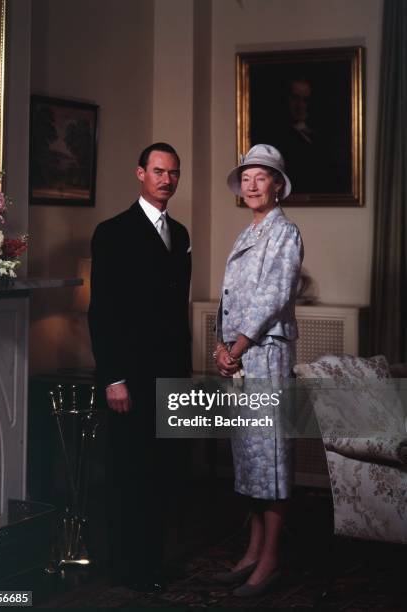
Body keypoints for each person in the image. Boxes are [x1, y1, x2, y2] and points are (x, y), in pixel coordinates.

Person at [88, 142, 192, 592]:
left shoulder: (181, 234)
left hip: (170, 374)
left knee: (163, 473)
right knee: (129, 474)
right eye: (158, 171)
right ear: (140, 174)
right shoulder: (112, 232)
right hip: (128, 376)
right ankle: (126, 569)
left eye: (173, 172)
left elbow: (175, 311)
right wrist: (113, 377)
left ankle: (152, 561)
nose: (166, 179)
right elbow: (102, 311)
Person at [213, 144, 304, 597]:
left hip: (265, 355)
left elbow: (273, 296)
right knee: (249, 460)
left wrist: (239, 345)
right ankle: (251, 551)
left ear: (277, 185)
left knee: (270, 459)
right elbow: (229, 296)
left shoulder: (285, 233)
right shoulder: (247, 230)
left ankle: (269, 561)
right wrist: (220, 345)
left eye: (261, 177)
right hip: (241, 356)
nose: (251, 185)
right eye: (246, 177)